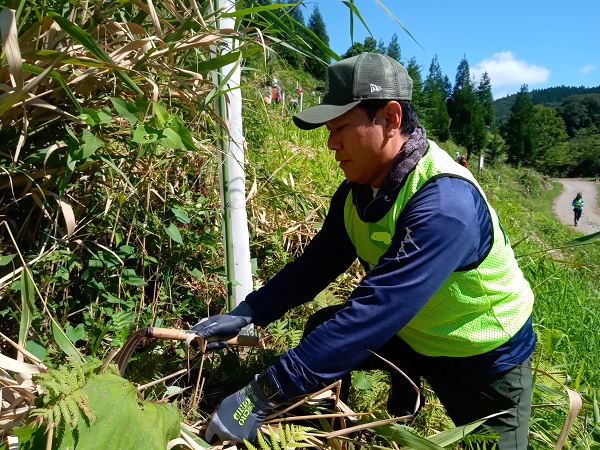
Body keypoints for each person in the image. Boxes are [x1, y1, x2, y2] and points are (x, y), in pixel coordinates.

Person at [192, 53, 535, 450]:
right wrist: (247, 314)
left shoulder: (445, 206)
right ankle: (348, 429)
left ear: (390, 118)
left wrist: (263, 393)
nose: (331, 142)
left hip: (482, 354)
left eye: (341, 128)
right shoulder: (358, 192)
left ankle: (405, 407)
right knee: (324, 326)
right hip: (410, 330)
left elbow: (375, 311)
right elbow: (315, 267)